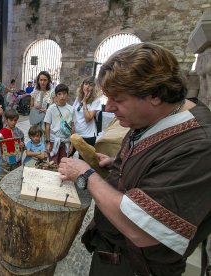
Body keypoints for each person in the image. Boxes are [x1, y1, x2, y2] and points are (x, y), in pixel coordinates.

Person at [58, 43, 211, 275]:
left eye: (118, 99)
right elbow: (152, 164)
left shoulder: (199, 146)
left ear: (155, 95)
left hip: (138, 267)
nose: (109, 107)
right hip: (111, 253)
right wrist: (114, 163)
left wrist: (86, 176)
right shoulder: (150, 118)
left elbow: (143, 229)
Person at [43, 83, 73, 165]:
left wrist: (72, 144)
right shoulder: (51, 108)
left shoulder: (71, 109)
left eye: (64, 93)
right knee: (52, 163)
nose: (62, 96)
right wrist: (48, 142)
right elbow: (47, 126)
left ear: (67, 95)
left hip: (65, 141)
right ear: (56, 96)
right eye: (59, 94)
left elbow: (73, 127)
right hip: (53, 141)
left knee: (63, 164)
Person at [72, 76, 102, 156]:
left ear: (94, 87)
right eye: (86, 84)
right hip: (76, 134)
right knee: (69, 155)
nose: (87, 87)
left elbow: (88, 118)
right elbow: (73, 114)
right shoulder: (78, 98)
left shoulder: (96, 101)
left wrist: (85, 102)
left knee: (84, 161)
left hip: (88, 136)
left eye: (90, 85)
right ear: (82, 85)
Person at [0, 109, 25, 174]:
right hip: (5, 163)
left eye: (15, 120)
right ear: (6, 120)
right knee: (3, 178)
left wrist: (22, 145)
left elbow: (23, 145)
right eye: (11, 120)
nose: (13, 122)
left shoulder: (20, 132)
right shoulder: (1, 134)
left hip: (16, 162)